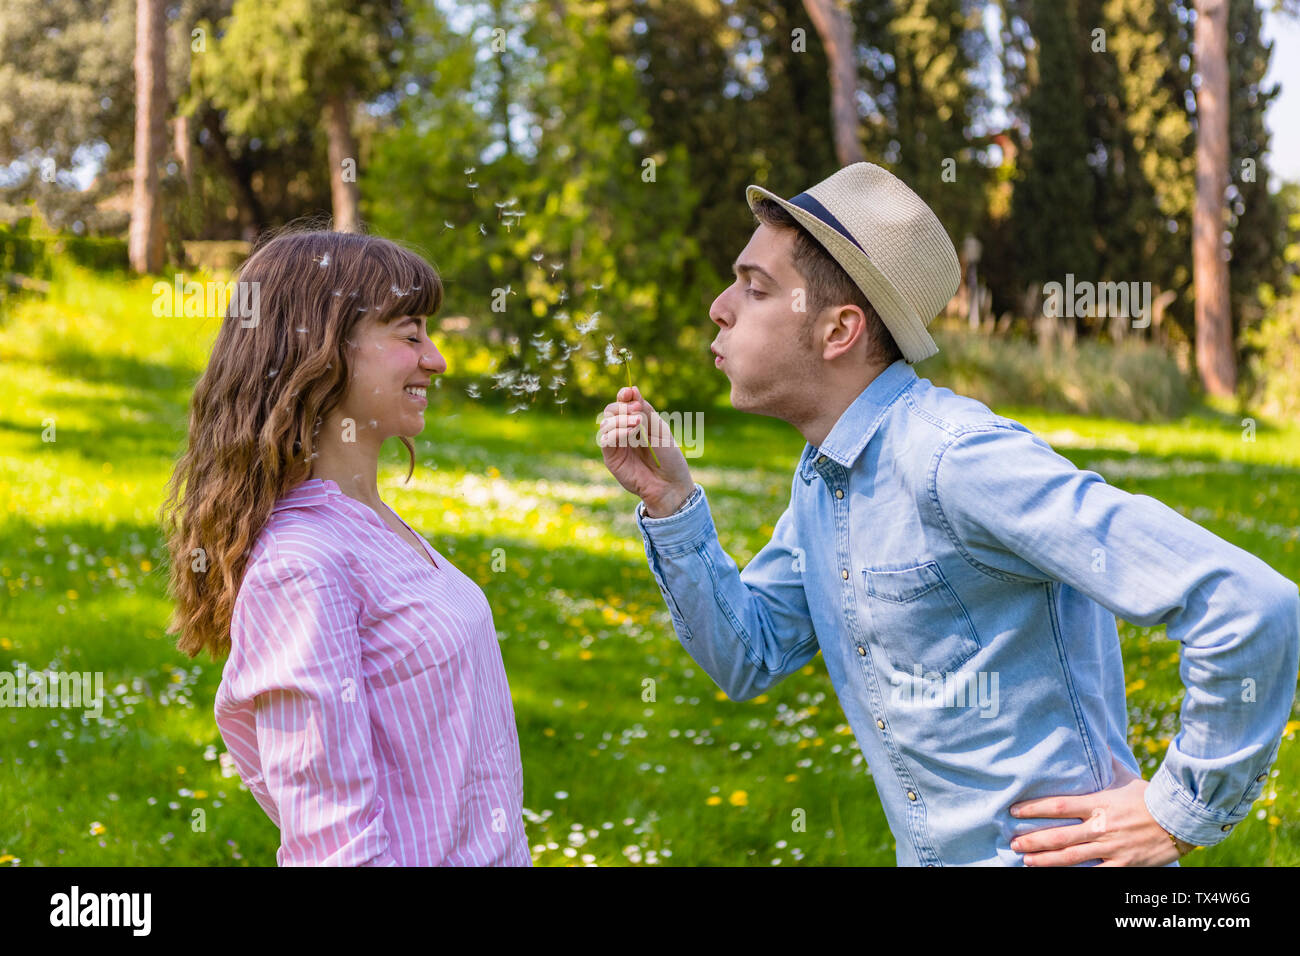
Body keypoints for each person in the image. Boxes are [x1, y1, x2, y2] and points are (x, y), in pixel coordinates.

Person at [598, 162, 1300, 866]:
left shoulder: (957, 459)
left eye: (755, 288)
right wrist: (673, 507)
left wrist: (1177, 813)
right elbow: (749, 656)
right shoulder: (822, 480)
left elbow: (1249, 604)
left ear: (839, 329)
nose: (720, 307)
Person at [162, 229, 529, 866]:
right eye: (410, 335)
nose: (436, 360)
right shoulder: (302, 566)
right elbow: (335, 848)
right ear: (321, 349)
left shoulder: (371, 525)